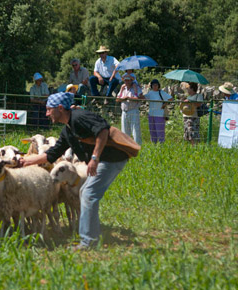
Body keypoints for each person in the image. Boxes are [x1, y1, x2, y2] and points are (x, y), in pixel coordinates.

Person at [19, 92, 129, 250]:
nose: (46, 113)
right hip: (103, 159)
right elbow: (53, 153)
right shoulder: (67, 130)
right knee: (86, 193)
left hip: (110, 158)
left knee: (89, 194)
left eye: (49, 109)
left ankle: (88, 241)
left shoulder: (79, 117)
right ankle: (92, 236)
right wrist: (26, 161)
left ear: (60, 108)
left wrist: (95, 158)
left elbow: (103, 130)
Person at [116, 73, 144, 145]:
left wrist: (129, 98)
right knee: (124, 130)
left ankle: (137, 145)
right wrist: (124, 98)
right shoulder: (123, 88)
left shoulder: (136, 88)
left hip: (133, 110)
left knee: (135, 129)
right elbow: (117, 99)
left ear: (131, 80)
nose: (127, 82)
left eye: (128, 80)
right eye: (125, 80)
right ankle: (126, 146)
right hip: (124, 111)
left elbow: (141, 98)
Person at [144, 79, 173, 143]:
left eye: (156, 85)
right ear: (151, 86)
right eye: (153, 85)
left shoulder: (161, 93)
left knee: (160, 130)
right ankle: (153, 144)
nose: (155, 86)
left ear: (158, 85)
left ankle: (161, 144)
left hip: (159, 114)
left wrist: (165, 104)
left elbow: (170, 98)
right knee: (152, 130)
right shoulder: (150, 93)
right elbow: (143, 97)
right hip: (151, 114)